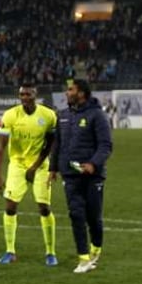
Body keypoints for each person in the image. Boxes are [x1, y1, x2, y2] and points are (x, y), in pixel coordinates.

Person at [49, 79, 113, 273]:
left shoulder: (97, 115)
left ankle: (96, 248)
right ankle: (83, 258)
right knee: (76, 215)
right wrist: (53, 168)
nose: (67, 93)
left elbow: (105, 145)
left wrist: (93, 164)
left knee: (93, 217)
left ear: (82, 93)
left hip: (93, 176)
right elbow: (57, 145)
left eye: (70, 90)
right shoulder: (63, 116)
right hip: (70, 174)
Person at [0, 84, 58, 266]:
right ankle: (10, 251)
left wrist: (35, 167)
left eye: (28, 94)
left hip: (40, 165)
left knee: (44, 207)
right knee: (10, 206)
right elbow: (0, 147)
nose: (24, 97)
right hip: (18, 164)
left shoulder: (48, 116)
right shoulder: (10, 115)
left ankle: (50, 253)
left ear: (35, 95)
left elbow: (50, 144)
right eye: (21, 94)